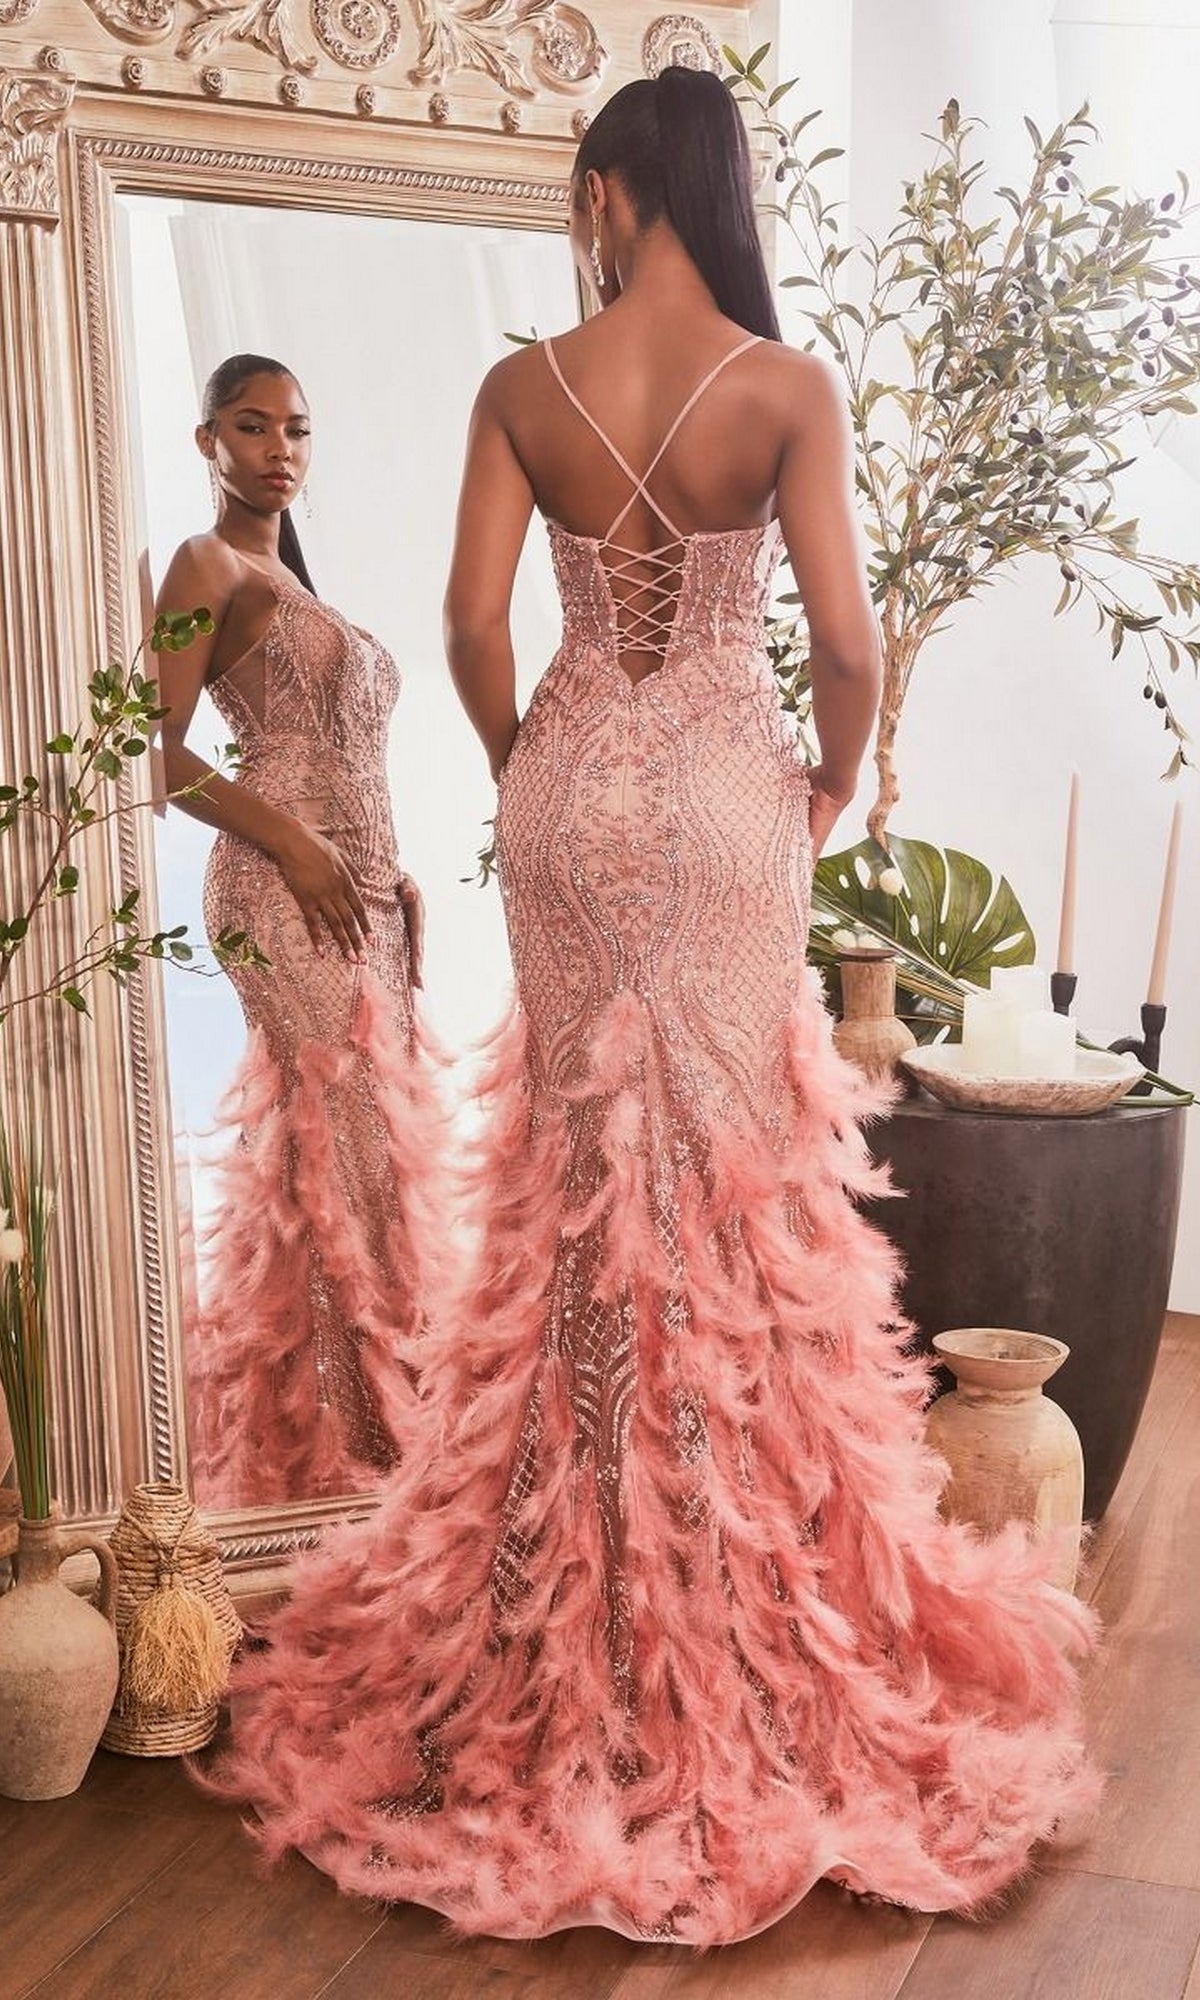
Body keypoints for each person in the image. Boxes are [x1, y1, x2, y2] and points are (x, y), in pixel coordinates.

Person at [210, 79, 1097, 1939]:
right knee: (727, 1182)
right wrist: (828, 781)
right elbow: (841, 646)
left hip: (565, 787)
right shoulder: (784, 386)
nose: (580, 223)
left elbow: (467, 621)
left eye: (581, 195)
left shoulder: (523, 381)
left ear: (616, 186)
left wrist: (517, 750)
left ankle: (565, 1619)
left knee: (571, 1179)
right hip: (715, 797)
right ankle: (724, 1627)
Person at [158, 354, 442, 1508]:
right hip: (279, 888)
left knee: (360, 1163)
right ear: (207, 441)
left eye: (297, 430)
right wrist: (297, 842)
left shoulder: (298, 580)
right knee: (346, 1156)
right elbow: (158, 751)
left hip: (362, 895)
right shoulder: (204, 563)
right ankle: (365, 1458)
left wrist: (387, 868)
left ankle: (325, 1448)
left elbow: (349, 754)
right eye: (252, 426)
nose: (279, 449)